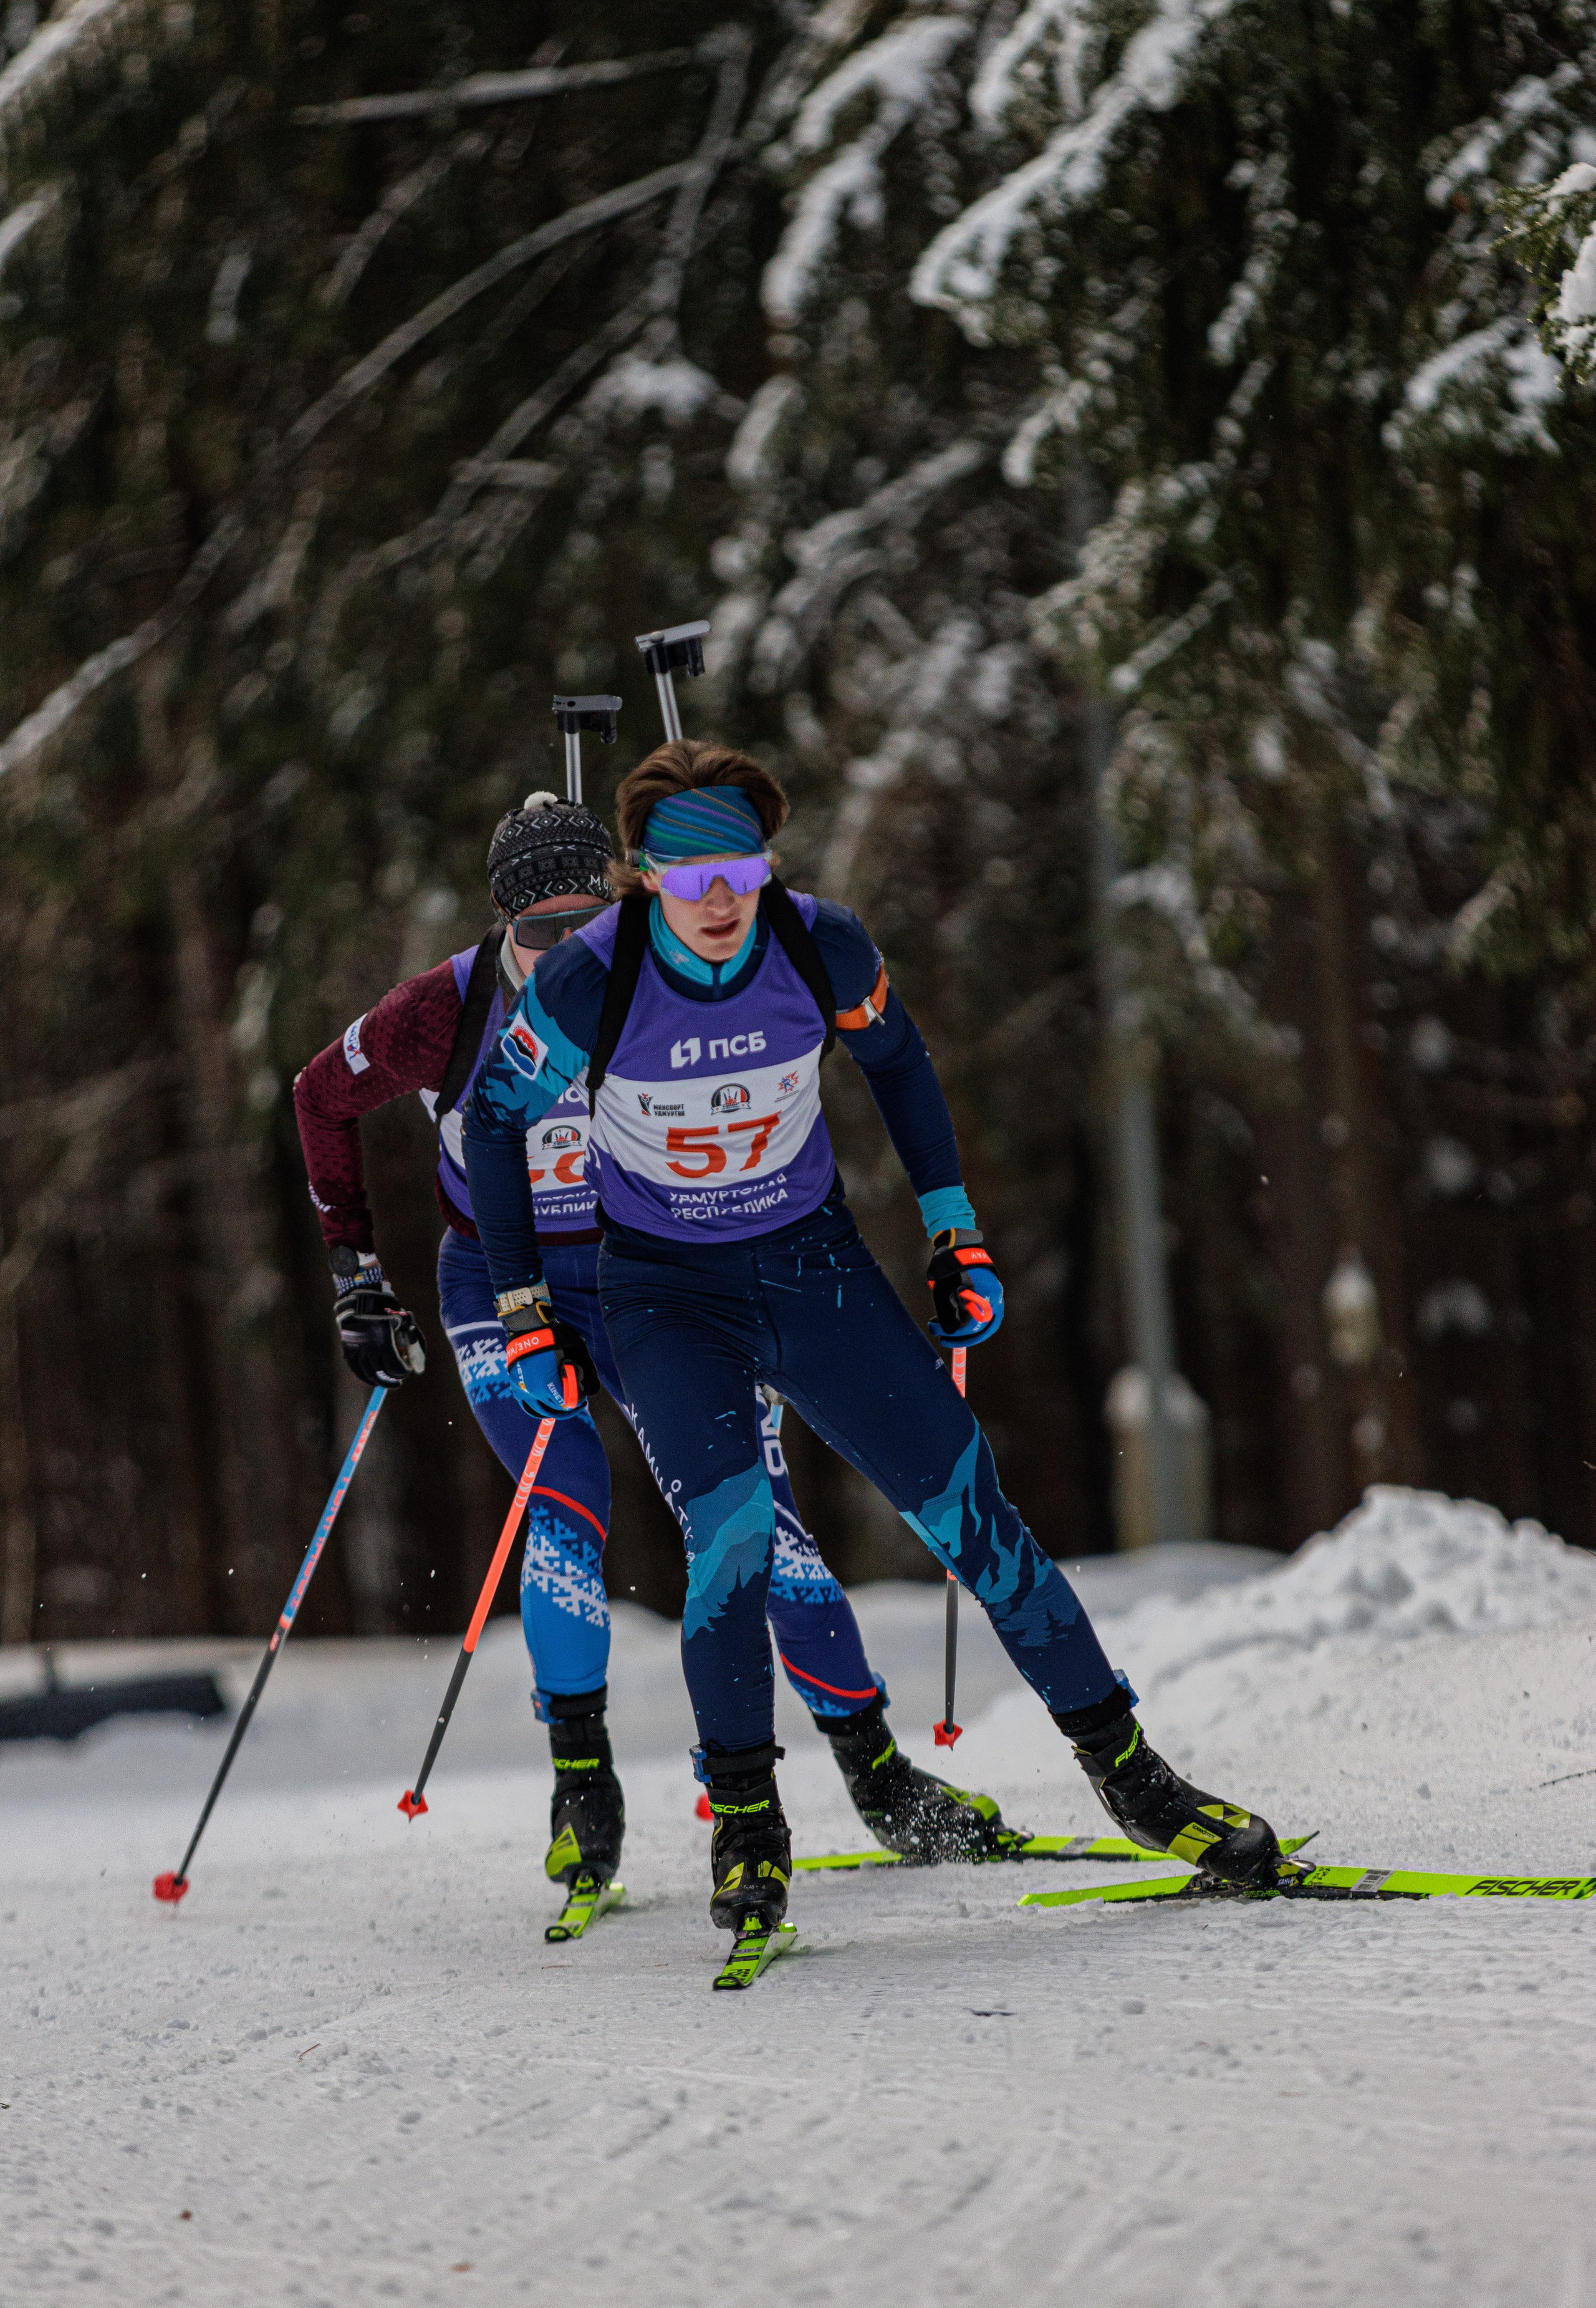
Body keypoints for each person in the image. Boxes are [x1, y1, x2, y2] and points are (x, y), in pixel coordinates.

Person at [463, 740, 1287, 1942]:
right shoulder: (591, 981)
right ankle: (749, 1830)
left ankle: (1138, 1782)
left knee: (971, 1511)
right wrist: (526, 1307)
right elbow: (493, 1127)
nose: (716, 898)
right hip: (665, 1295)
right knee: (734, 1541)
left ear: (769, 864)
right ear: (643, 876)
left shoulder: (820, 944)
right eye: (685, 873)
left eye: (737, 865)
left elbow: (899, 1063)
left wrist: (955, 1232)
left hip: (810, 1268)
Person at [293, 791, 1020, 1908]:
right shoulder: (443, 1009)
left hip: (651, 1279)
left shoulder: (651, 973)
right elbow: (316, 1096)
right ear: (500, 927)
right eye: (536, 937)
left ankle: (877, 1776)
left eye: (583, 929)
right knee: (565, 1498)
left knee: (757, 1525)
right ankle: (583, 1789)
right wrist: (358, 1274)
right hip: (501, 1284)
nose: (556, 958)